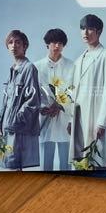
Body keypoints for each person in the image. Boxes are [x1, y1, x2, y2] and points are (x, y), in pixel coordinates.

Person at [70, 13, 106, 169]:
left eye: (90, 29)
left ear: (99, 31)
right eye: (82, 28)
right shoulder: (79, 60)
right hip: (79, 118)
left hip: (96, 117)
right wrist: (71, 120)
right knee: (82, 163)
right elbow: (73, 93)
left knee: (98, 162)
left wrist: (102, 122)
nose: (85, 32)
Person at [0, 30, 42, 171]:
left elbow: (33, 101)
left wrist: (15, 120)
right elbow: (6, 101)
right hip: (7, 126)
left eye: (17, 42)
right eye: (10, 42)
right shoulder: (12, 69)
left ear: (25, 46)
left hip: (19, 127)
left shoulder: (29, 68)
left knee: (15, 165)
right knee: (10, 165)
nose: (13, 45)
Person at [35, 28, 74, 172]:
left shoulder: (72, 66)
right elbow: (33, 93)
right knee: (45, 165)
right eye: (53, 42)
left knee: (66, 163)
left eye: (60, 43)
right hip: (45, 119)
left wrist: (60, 106)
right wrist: (42, 107)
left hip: (65, 118)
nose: (57, 46)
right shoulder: (37, 67)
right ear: (47, 44)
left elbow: (74, 91)